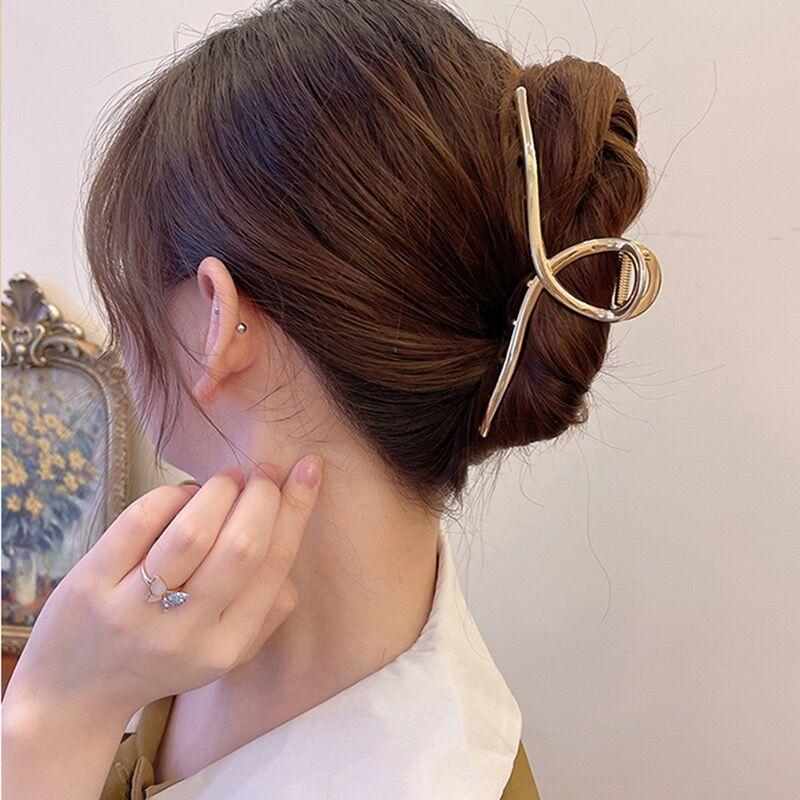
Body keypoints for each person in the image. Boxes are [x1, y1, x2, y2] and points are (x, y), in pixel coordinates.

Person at [1, 1, 661, 798]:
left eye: (129, 300)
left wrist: (54, 716)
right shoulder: (187, 622)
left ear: (216, 320)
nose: (125, 337)